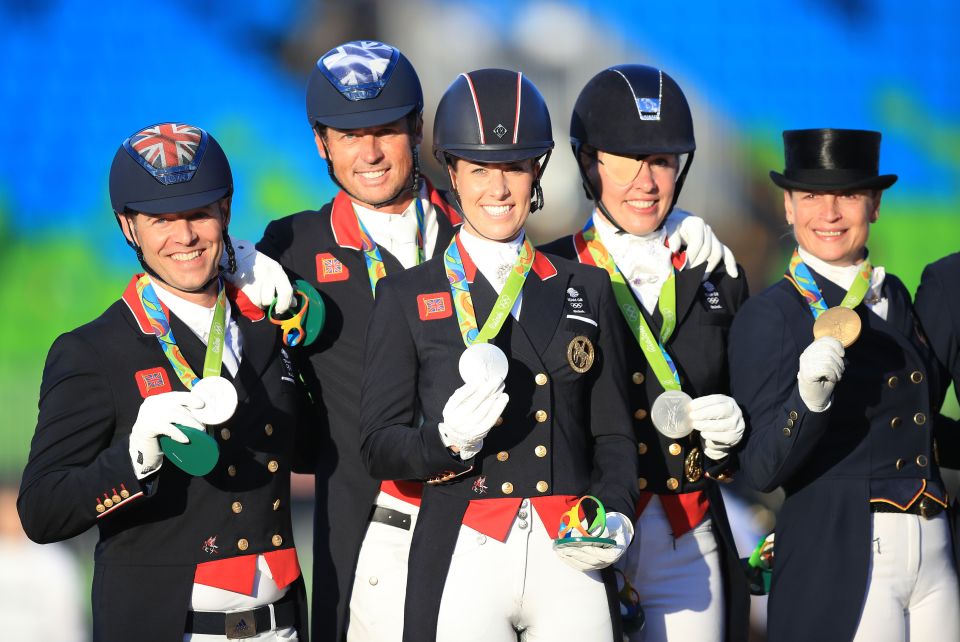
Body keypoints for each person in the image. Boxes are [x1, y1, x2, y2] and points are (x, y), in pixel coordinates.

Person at [359, 67, 638, 642]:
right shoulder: (405, 294)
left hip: (572, 547)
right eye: (481, 169)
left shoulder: (586, 286)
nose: (500, 189)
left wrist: (616, 512)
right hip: (461, 541)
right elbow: (378, 445)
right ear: (452, 173)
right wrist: (444, 443)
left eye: (514, 167)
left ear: (537, 170)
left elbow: (612, 435)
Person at [18, 123, 313, 641]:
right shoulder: (91, 351)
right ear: (128, 227)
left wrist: (298, 320)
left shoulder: (267, 325)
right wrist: (134, 459)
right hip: (171, 628)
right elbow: (42, 513)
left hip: (282, 626)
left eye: (199, 213)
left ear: (225, 213)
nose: (185, 238)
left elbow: (317, 446)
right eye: (161, 220)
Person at [253, 40, 463, 642]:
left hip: (486, 526)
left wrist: (671, 237)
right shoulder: (290, 247)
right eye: (348, 134)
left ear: (417, 129)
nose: (368, 153)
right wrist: (237, 262)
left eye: (385, 130)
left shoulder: (476, 230)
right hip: (367, 533)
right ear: (322, 143)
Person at [540, 63, 750, 642]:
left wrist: (735, 435)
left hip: (687, 535)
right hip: (582, 531)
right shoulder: (546, 272)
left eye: (661, 161)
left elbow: (746, 410)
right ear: (588, 164)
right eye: (627, 161)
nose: (646, 181)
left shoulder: (719, 275)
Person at [729, 128, 960, 642]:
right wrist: (809, 401)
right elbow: (762, 468)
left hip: (934, 549)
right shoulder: (770, 315)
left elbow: (909, 427)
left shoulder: (896, 295)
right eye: (810, 196)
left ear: (874, 205)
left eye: (848, 195)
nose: (829, 214)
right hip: (844, 551)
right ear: (787, 207)